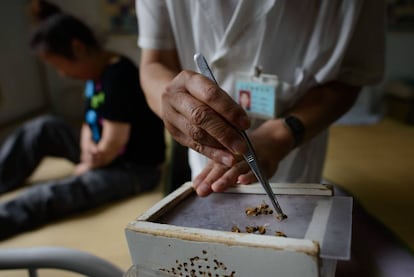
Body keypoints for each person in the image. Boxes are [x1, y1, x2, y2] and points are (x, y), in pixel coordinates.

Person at [136, 1, 414, 276]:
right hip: (209, 160)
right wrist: (169, 98)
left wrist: (280, 135)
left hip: (299, 150)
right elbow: (155, 62)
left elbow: (350, 76)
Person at [0, 1, 165, 240]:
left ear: (77, 48)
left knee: (52, 193)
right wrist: (86, 146)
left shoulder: (119, 74)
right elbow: (89, 121)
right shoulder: (94, 77)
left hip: (132, 168)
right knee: (42, 128)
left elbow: (115, 141)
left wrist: (88, 165)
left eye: (60, 66)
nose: (62, 74)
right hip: (102, 153)